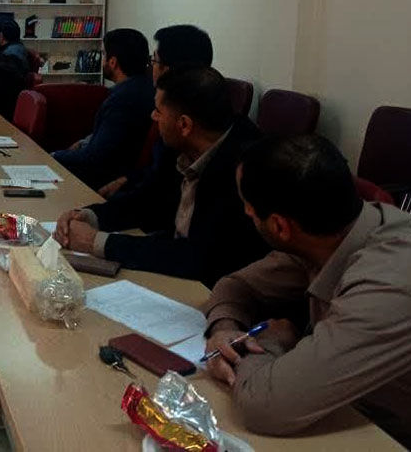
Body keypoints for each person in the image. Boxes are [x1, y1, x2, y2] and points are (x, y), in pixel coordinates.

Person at [203, 135, 411, 447]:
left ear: (279, 227)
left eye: (248, 206)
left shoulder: (390, 284)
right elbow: (236, 286)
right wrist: (225, 329)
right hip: (348, 414)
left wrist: (271, 342)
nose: (247, 213)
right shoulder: (327, 233)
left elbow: (266, 407)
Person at [55, 66, 267, 287]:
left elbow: (199, 257)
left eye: (158, 111)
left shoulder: (245, 169)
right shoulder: (181, 147)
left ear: (184, 124)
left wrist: (96, 242)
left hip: (210, 290)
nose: (153, 116)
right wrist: (90, 215)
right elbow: (148, 200)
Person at [97, 24, 214, 199]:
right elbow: (157, 172)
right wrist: (127, 179)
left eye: (154, 61)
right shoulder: (199, 109)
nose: (151, 68)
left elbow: (156, 194)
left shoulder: (175, 121)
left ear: (168, 71)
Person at [51, 28, 154, 189]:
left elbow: (95, 156)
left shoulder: (123, 99)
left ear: (113, 62)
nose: (102, 59)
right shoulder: (147, 88)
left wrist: (55, 156)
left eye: (104, 54)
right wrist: (85, 142)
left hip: (100, 180)